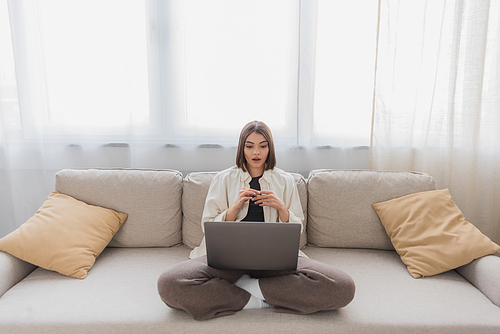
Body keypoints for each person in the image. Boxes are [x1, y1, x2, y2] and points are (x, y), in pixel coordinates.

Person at [157, 120, 355, 321]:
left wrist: (281, 209)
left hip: (276, 261)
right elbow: (207, 226)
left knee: (343, 287)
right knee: (169, 284)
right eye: (249, 146)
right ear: (242, 148)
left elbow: (298, 230)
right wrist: (233, 209)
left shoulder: (285, 181)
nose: (256, 153)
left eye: (262, 146)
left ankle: (249, 288)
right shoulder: (223, 179)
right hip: (226, 261)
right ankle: (262, 298)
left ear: (270, 148)